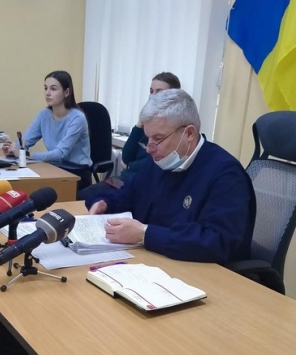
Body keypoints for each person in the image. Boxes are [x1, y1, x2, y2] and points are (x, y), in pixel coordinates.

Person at [86, 89, 256, 266]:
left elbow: (218, 242)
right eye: (148, 139)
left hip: (201, 271)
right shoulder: (159, 162)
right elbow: (128, 195)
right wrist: (105, 204)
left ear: (189, 133)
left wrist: (145, 234)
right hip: (155, 261)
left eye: (158, 138)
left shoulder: (226, 174)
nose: (149, 148)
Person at [77, 72, 181, 201]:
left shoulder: (174, 129)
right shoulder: (147, 123)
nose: (153, 96)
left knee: (88, 200)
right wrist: (139, 124)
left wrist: (132, 166)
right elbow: (126, 157)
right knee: (81, 196)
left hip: (141, 185)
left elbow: (152, 167)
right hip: (125, 179)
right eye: (151, 91)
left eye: (159, 92)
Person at [3, 71, 92, 191]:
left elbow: (60, 153)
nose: (47, 93)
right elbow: (25, 141)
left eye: (53, 89)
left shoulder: (77, 118)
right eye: (46, 88)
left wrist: (25, 155)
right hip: (54, 167)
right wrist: (13, 149)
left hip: (76, 173)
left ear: (66, 92)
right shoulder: (44, 115)